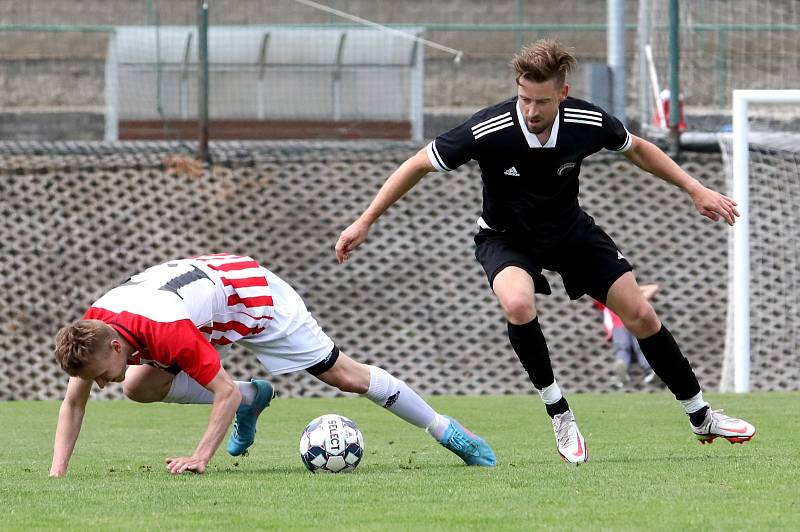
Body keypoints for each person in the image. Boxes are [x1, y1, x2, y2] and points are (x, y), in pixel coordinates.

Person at [335, 39, 755, 464]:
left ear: (562, 94)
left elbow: (638, 149)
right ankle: (559, 411)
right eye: (523, 98)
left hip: (570, 233)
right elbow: (417, 165)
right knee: (518, 304)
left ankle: (700, 415)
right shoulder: (488, 128)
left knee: (642, 315)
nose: (531, 110)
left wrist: (695, 189)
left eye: (541, 101)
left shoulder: (587, 120)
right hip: (505, 237)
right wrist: (365, 219)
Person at [50, 253, 495, 476]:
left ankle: (446, 429)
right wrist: (57, 476)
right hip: (200, 302)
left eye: (99, 375)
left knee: (345, 376)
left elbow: (219, 391)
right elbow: (74, 403)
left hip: (254, 297)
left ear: (113, 346)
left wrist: (200, 457)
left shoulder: (166, 331)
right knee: (136, 386)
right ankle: (254, 397)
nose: (100, 385)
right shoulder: (95, 332)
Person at [593, 284, 660, 387]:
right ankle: (622, 371)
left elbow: (654, 288)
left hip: (635, 324)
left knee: (641, 347)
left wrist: (630, 291)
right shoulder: (607, 300)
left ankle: (650, 371)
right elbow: (595, 293)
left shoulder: (634, 300)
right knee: (622, 347)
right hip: (618, 326)